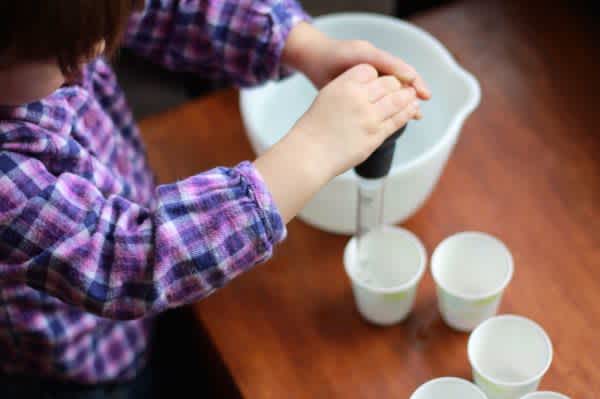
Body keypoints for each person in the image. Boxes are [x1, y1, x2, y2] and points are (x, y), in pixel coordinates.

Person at [0, 1, 430, 397]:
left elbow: (165, 9)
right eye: (62, 55)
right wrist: (313, 151)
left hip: (147, 260)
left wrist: (302, 46)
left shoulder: (50, 31)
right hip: (84, 360)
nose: (95, 51)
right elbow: (122, 258)